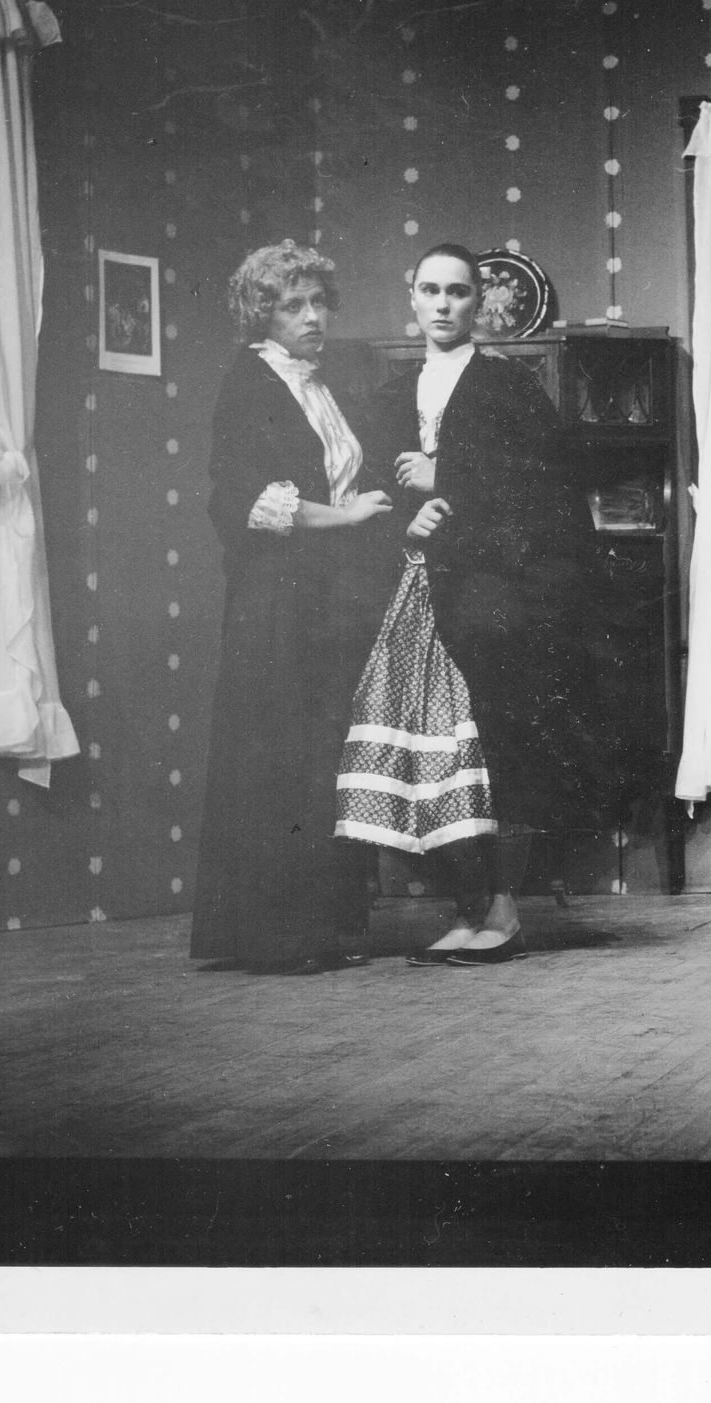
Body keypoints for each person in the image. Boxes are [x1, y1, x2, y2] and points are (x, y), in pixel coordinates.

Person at [336, 243, 597, 964]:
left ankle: (503, 912)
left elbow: (550, 488)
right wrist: (405, 518)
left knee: (492, 745)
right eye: (431, 290)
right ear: (412, 298)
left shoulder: (508, 386)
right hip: (416, 596)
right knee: (436, 758)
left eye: (457, 291)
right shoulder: (391, 395)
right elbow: (370, 490)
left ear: (478, 302)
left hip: (495, 593)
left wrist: (447, 474)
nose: (444, 304)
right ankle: (467, 908)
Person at [191, 241, 397, 974]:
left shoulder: (317, 384)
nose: (312, 317)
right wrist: (348, 517)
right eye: (292, 305)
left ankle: (327, 925)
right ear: (262, 315)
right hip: (275, 601)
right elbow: (244, 501)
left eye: (317, 302)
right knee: (281, 758)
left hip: (328, 597)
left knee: (324, 756)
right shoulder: (250, 382)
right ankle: (279, 936)